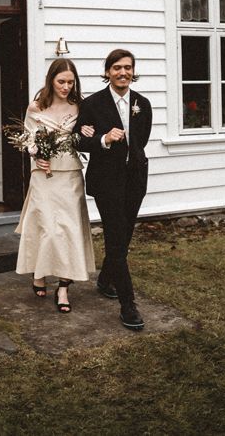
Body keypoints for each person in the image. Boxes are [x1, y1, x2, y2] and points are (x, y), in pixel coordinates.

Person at [75, 48, 152, 331]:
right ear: (107, 71)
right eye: (117, 68)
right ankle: (128, 306)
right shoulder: (93, 104)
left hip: (135, 181)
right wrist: (104, 139)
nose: (123, 73)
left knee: (124, 236)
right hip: (107, 182)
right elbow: (80, 141)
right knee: (116, 240)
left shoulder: (142, 103)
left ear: (133, 71)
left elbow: (141, 141)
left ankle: (106, 279)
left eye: (128, 68)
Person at [15, 58, 96, 313]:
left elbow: (86, 135)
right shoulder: (36, 107)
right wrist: (36, 153)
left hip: (70, 173)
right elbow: (27, 138)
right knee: (47, 228)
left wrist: (89, 133)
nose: (66, 87)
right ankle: (39, 272)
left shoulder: (80, 107)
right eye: (61, 81)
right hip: (44, 175)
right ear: (51, 80)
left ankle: (63, 286)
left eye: (71, 82)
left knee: (68, 230)